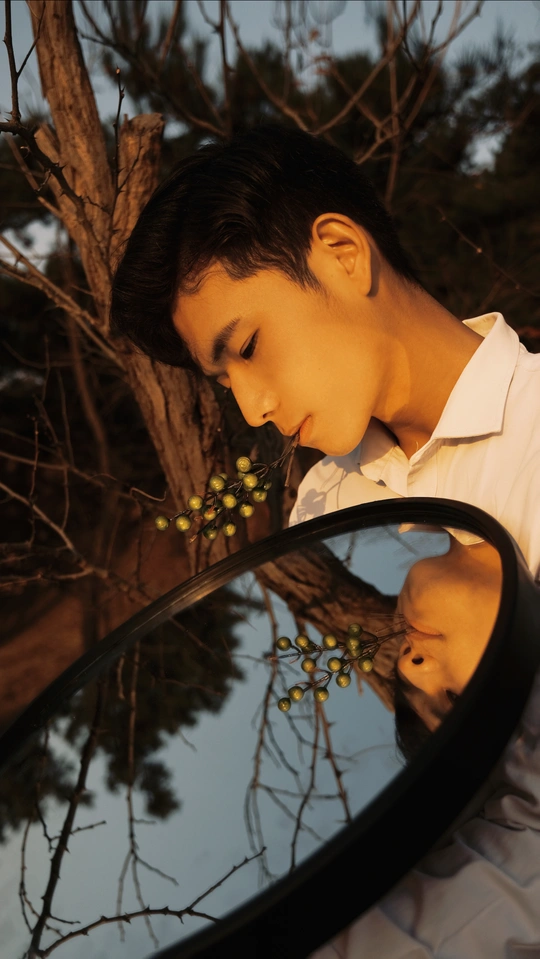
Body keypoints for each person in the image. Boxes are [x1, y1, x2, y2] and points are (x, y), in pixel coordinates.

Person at [110, 124, 540, 584]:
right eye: (226, 382)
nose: (253, 411)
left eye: (249, 348)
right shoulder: (324, 504)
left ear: (343, 255)